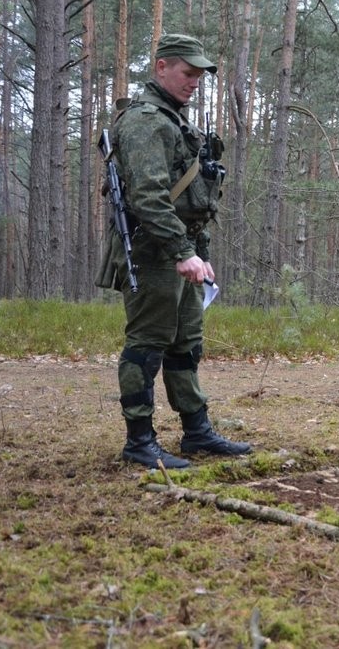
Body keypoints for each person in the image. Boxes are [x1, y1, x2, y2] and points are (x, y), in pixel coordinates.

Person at [97, 33, 251, 469]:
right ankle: (139, 441)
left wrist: (197, 251)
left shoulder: (173, 120)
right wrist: (183, 251)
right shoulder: (146, 121)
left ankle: (197, 432)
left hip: (181, 251)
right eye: (188, 73)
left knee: (186, 344)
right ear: (161, 66)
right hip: (153, 251)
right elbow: (149, 198)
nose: (194, 82)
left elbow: (192, 198)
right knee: (147, 345)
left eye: (199, 75)